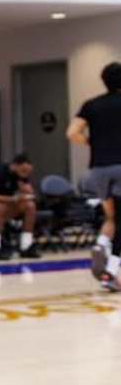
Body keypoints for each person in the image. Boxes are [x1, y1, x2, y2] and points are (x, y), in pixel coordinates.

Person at [67, 61, 121, 291]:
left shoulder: (91, 105)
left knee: (112, 217)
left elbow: (72, 132)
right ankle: (111, 271)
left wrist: (92, 142)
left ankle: (101, 244)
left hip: (98, 168)